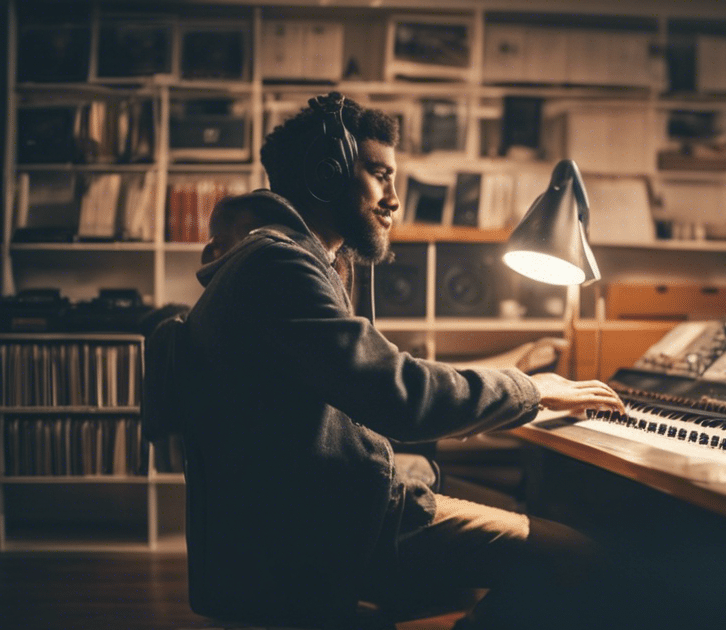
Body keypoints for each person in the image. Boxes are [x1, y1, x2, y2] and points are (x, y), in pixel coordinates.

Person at [167, 92, 626, 629]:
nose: (394, 199)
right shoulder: (280, 266)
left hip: (304, 513)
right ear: (328, 175)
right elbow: (400, 395)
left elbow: (375, 382)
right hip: (326, 528)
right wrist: (531, 389)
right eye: (379, 175)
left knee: (490, 495)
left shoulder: (278, 258)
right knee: (576, 556)